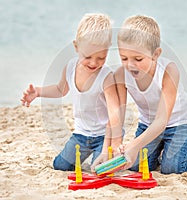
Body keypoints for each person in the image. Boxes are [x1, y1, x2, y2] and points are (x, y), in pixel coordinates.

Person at [20, 13, 122, 171]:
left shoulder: (106, 77)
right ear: (76, 47)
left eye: (101, 57)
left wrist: (112, 144)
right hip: (81, 135)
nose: (94, 62)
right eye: (88, 56)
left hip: (103, 137)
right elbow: (60, 89)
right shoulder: (70, 67)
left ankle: (104, 157)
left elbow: (114, 112)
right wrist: (38, 92)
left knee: (101, 170)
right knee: (60, 166)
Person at [114, 15, 187, 174]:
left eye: (138, 58)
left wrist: (134, 145)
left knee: (172, 168)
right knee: (136, 166)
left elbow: (162, 121)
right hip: (148, 125)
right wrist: (118, 145)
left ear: (156, 54)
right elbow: (119, 114)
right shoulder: (120, 75)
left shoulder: (168, 71)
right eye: (124, 58)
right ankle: (163, 148)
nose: (130, 65)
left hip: (179, 124)